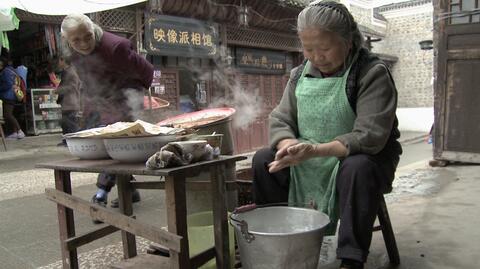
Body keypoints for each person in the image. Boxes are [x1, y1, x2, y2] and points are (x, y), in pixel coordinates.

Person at [251, 2, 402, 269]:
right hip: (309, 156)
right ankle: (278, 244)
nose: (316, 57)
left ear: (348, 41)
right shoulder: (299, 75)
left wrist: (316, 150)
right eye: (308, 49)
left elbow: (369, 136)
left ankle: (351, 258)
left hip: (359, 158)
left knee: (358, 167)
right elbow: (280, 117)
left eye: (324, 48)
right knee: (265, 160)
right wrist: (289, 145)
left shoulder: (371, 73)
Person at [60, 14, 154, 214]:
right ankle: (131, 190)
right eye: (76, 40)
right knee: (107, 138)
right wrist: (90, 106)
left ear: (93, 29)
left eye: (87, 36)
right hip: (104, 95)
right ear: (67, 40)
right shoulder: (73, 53)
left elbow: (145, 70)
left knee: (116, 140)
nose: (84, 43)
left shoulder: (116, 47)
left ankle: (101, 192)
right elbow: (88, 80)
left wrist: (136, 98)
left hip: (128, 92)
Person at [54, 55, 82, 146]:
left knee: (71, 124)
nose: (58, 63)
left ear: (63, 60)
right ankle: (66, 141)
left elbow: (72, 87)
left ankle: (74, 142)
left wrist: (58, 90)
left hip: (71, 102)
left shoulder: (71, 72)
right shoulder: (67, 72)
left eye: (59, 61)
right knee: (65, 124)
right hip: (67, 102)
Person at [0, 57, 25, 139]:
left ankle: (19, 131)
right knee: (8, 114)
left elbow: (7, 84)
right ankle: (14, 132)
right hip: (12, 95)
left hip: (8, 95)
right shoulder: (13, 70)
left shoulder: (5, 72)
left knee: (8, 114)